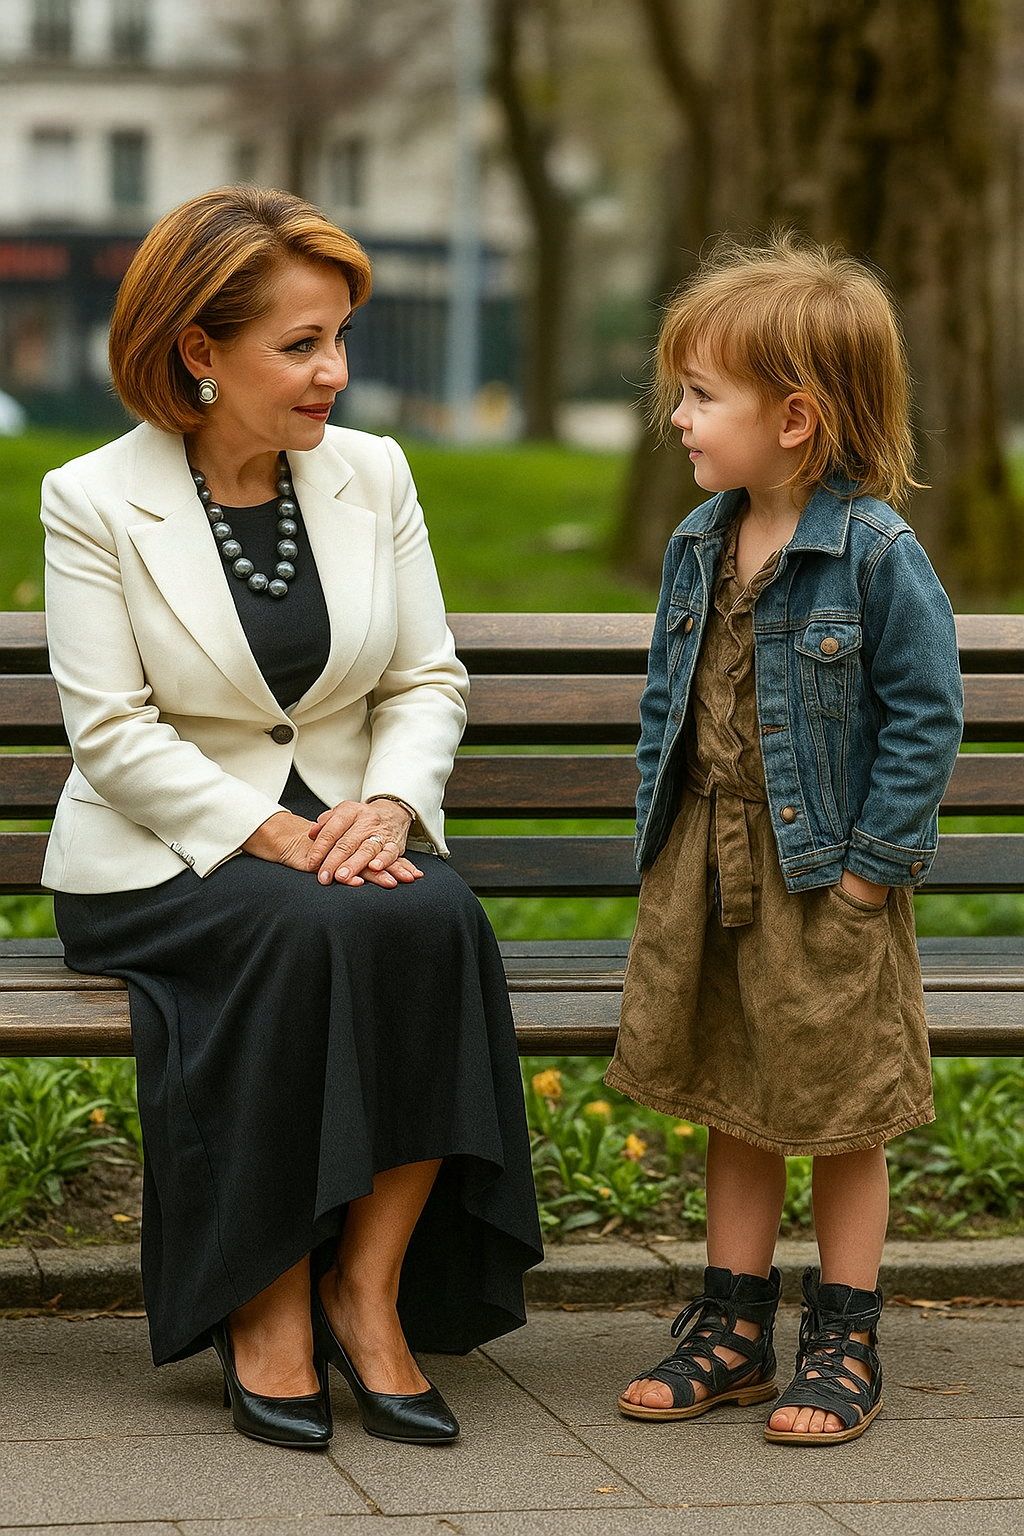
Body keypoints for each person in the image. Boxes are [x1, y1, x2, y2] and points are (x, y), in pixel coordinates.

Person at [41, 185, 542, 1451]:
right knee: (303, 933)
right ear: (199, 352)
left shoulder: (372, 473)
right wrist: (270, 835)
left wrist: (386, 801)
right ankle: (261, 1306)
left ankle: (365, 1296)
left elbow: (425, 678)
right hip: (163, 855)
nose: (337, 373)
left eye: (341, 338)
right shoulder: (93, 499)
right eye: (302, 345)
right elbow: (110, 731)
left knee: (438, 925)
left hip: (344, 835)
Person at [606, 235, 963, 1445]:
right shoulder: (700, 541)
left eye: (702, 395)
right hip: (710, 869)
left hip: (824, 880)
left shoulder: (873, 555)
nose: (680, 419)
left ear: (796, 417)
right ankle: (733, 1328)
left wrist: (871, 873)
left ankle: (843, 1335)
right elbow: (673, 696)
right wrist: (663, 846)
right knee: (732, 1096)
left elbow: (925, 714)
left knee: (837, 1105)